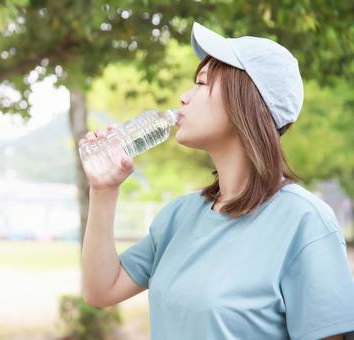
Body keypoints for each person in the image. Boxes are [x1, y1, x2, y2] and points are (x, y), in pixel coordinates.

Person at [79, 22, 354, 340]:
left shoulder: (305, 221)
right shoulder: (180, 216)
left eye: (201, 83)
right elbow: (100, 290)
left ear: (246, 100)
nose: (183, 97)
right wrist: (103, 190)